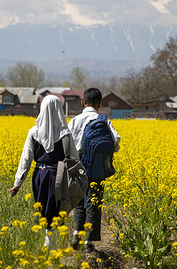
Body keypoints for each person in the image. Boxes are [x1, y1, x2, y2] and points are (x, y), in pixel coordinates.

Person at [9, 95, 78, 249]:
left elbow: (25, 159)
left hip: (39, 175)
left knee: (46, 208)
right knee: (55, 208)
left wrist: (17, 183)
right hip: (59, 175)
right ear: (59, 110)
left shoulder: (34, 132)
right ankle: (51, 244)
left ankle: (49, 244)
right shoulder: (65, 133)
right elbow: (73, 157)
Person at [68, 88, 121, 253]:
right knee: (94, 201)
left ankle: (77, 233)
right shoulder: (103, 120)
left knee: (79, 199)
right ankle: (89, 243)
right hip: (96, 165)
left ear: (83, 103)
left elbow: (66, 143)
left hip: (78, 164)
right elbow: (116, 139)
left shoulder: (75, 120)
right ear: (100, 104)